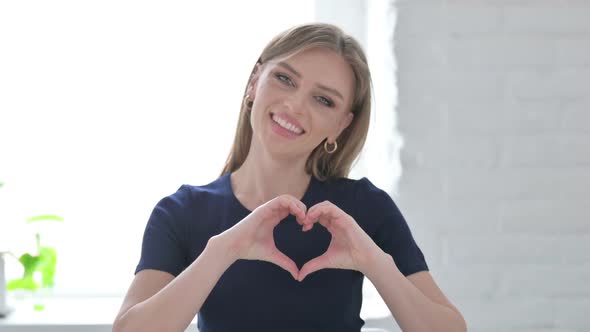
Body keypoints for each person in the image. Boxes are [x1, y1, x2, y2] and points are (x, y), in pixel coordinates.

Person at [113, 23, 466, 332]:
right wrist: (223, 251)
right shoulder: (182, 212)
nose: (295, 106)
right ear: (255, 82)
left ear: (341, 126)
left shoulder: (366, 208)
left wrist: (373, 261)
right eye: (285, 79)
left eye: (323, 100)